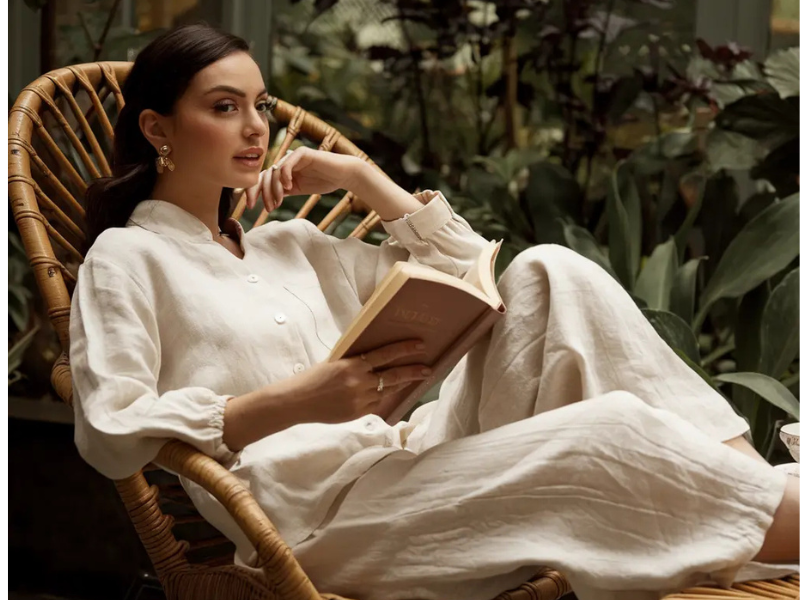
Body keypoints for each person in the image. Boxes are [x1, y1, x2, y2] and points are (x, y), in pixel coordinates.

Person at [70, 24, 798, 600]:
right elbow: (110, 425)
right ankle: (787, 513)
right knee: (603, 436)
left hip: (411, 460)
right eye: (224, 107)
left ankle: (767, 494)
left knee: (553, 272)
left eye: (260, 104)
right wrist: (291, 403)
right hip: (316, 520)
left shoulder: (290, 245)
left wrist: (363, 179)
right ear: (159, 129)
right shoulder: (128, 258)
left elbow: (474, 276)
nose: (256, 126)